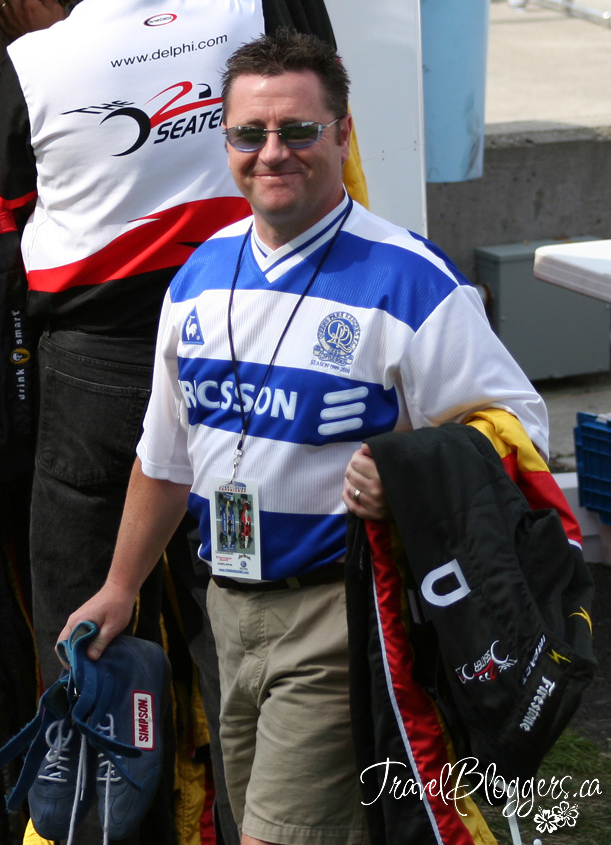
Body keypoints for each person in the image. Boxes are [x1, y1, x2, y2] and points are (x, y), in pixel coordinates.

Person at [59, 29, 549, 845]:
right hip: (224, 609)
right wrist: (118, 588)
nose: (272, 153)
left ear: (344, 135)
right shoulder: (198, 275)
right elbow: (164, 458)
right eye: (250, 134)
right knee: (253, 820)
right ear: (226, 141)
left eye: (298, 130)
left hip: (337, 613)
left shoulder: (411, 279)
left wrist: (408, 471)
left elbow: (519, 430)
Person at [0, 3, 366, 842]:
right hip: (242, 342)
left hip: (101, 360)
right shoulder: (255, 12)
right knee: (235, 634)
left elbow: (19, 195)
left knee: (85, 636)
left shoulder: (37, 59)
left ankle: (101, 823)